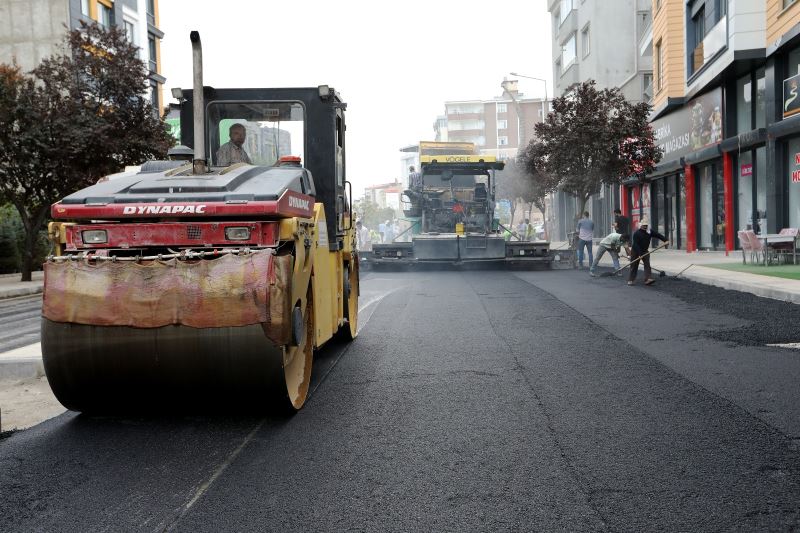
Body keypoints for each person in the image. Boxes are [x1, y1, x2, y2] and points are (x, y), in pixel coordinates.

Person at [628, 217, 668, 286]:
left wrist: (665, 240)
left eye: (646, 225)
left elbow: (658, 235)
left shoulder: (649, 232)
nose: (645, 227)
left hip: (645, 250)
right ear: (641, 225)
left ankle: (648, 279)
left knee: (647, 264)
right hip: (635, 251)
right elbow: (636, 245)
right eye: (644, 225)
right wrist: (640, 254)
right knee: (634, 265)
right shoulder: (636, 233)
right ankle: (631, 280)